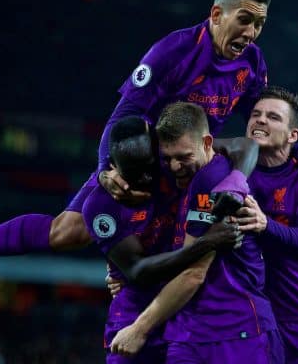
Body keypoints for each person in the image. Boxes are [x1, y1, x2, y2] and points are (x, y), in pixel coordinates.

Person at [0, 0, 298, 274]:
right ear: (217, 14)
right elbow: (124, 117)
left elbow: (261, 120)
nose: (252, 33)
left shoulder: (252, 62)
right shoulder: (171, 53)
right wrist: (107, 170)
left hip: (198, 160)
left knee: (241, 151)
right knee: (65, 233)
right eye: (245, 20)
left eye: (259, 24)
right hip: (149, 160)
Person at [110, 102, 280, 364]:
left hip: (236, 333)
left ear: (207, 143)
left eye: (184, 157)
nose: (175, 166)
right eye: (167, 158)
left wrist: (138, 329)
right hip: (191, 331)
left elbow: (193, 272)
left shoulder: (211, 179)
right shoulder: (188, 177)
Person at [81, 115, 245, 363]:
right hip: (133, 318)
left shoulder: (174, 166)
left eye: (150, 167)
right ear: (112, 168)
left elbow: (245, 146)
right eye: (134, 173)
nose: (147, 178)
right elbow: (137, 271)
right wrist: (206, 243)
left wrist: (236, 184)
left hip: (185, 318)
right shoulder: (99, 207)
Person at [233, 86, 298, 364]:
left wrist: (264, 224)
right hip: (246, 321)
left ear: (293, 135)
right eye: (255, 114)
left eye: (273, 117)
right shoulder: (228, 169)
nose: (260, 120)